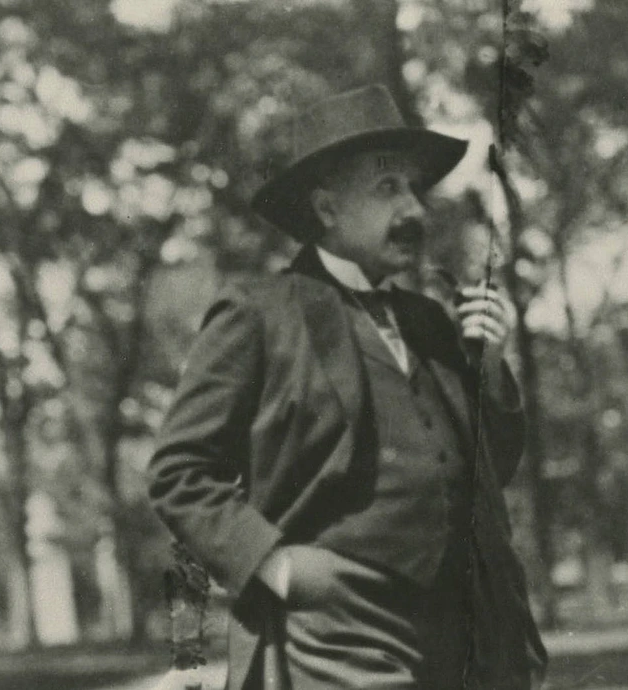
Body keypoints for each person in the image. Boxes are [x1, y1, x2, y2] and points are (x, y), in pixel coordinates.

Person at [147, 84, 547, 689]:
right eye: (387, 188)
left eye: (412, 188)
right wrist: (275, 566)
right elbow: (179, 472)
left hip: (461, 625)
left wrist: (489, 364)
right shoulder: (259, 314)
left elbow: (493, 468)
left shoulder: (433, 322)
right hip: (334, 631)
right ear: (328, 210)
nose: (412, 209)